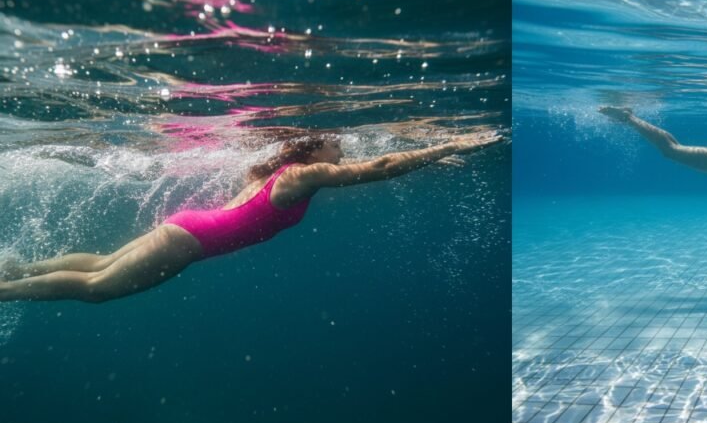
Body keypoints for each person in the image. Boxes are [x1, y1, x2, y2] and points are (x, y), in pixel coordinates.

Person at [0, 132, 502, 303]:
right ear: (312, 150)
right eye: (333, 143)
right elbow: (384, 165)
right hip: (189, 241)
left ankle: (17, 268)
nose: (341, 146)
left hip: (189, 229)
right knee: (97, 289)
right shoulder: (300, 177)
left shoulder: (277, 172)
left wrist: (441, 156)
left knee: (102, 263)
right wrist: (450, 144)